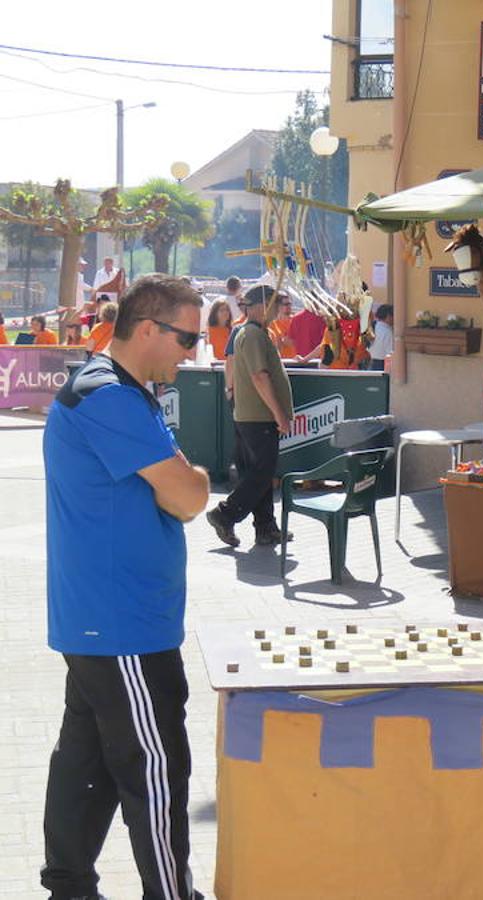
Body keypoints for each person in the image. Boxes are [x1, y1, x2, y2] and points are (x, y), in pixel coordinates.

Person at [41, 273, 209, 900]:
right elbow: (190, 497)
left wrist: (176, 479)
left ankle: (67, 887)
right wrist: (187, 478)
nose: (192, 351)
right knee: (157, 770)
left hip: (104, 621)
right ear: (148, 329)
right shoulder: (109, 396)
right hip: (123, 625)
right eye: (186, 337)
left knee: (86, 764)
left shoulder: (111, 390)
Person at [207, 284, 294, 548]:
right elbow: (260, 376)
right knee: (261, 473)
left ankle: (265, 527)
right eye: (274, 303)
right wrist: (279, 414)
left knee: (259, 473)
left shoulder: (251, 333)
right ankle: (225, 513)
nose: (278, 309)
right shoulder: (253, 334)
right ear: (259, 306)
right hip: (258, 417)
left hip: (250, 415)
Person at [267, 292, 297, 358]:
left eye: (290, 304)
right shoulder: (272, 324)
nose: (289, 306)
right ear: (278, 306)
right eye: (286, 304)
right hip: (283, 361)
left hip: (297, 361)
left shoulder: (296, 321)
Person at [368, 304, 393, 371]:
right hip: (382, 364)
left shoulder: (372, 327)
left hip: (369, 362)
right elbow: (390, 353)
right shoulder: (388, 332)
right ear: (388, 316)